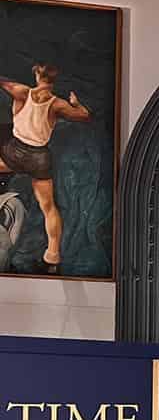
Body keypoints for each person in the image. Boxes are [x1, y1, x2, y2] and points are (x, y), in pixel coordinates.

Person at [0, 63, 93, 271]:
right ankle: (52, 257)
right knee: (48, 207)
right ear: (53, 81)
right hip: (39, 159)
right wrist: (76, 103)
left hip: (15, 152)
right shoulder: (57, 105)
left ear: (37, 75)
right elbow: (85, 115)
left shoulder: (22, 92)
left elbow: (3, 82)